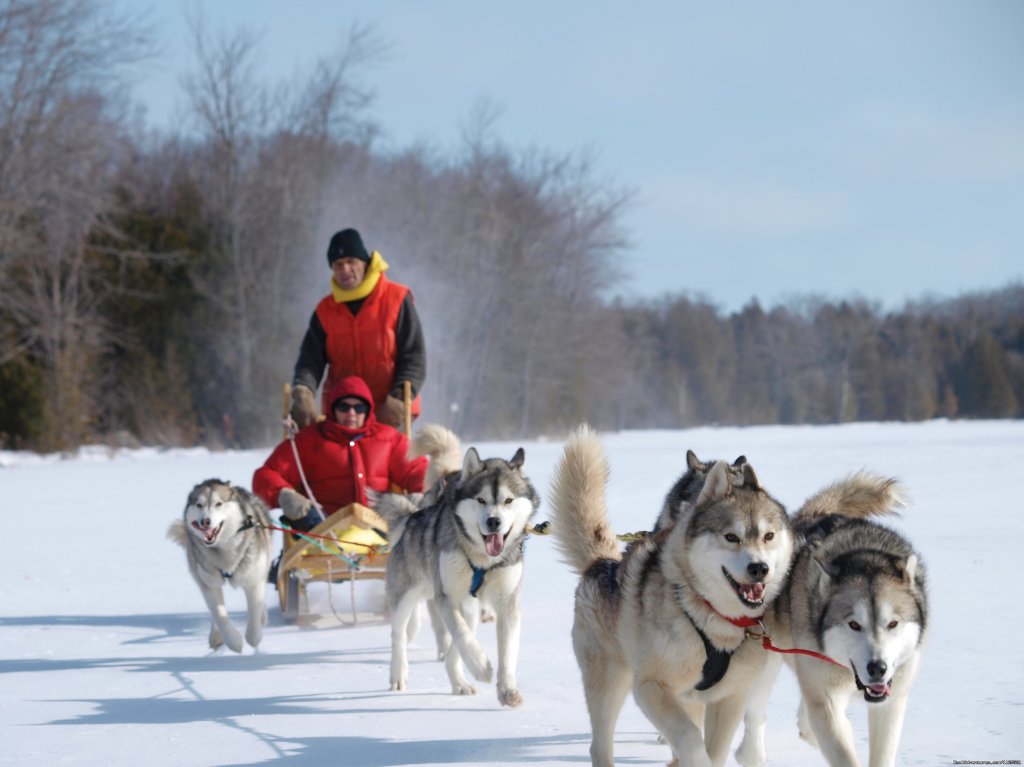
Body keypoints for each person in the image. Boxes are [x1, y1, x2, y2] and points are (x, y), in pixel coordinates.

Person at [253, 375, 428, 535]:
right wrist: (284, 495)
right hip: (325, 530)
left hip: (380, 529)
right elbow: (265, 475)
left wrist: (422, 494)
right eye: (344, 407)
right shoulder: (310, 440)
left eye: (358, 407)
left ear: (368, 410)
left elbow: (420, 472)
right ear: (333, 409)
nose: (351, 413)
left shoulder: (389, 439)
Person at [289, 228, 426, 429]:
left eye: (351, 262)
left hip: (388, 414)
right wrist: (304, 392)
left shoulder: (396, 299)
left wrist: (398, 400)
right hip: (344, 415)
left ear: (365, 263)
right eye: (338, 265)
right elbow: (310, 361)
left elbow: (414, 357)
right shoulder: (325, 310)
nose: (345, 269)